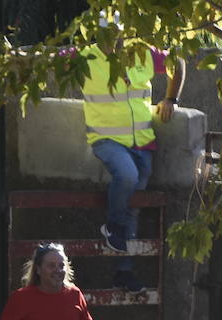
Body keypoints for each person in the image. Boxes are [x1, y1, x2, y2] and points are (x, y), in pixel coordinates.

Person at [79, 28, 185, 292]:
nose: (115, 39)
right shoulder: (85, 56)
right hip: (107, 140)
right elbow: (49, 60)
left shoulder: (142, 51)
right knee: (127, 177)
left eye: (119, 33)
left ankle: (124, 272)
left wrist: (171, 98)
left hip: (143, 141)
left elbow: (178, 61)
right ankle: (112, 225)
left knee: (133, 207)